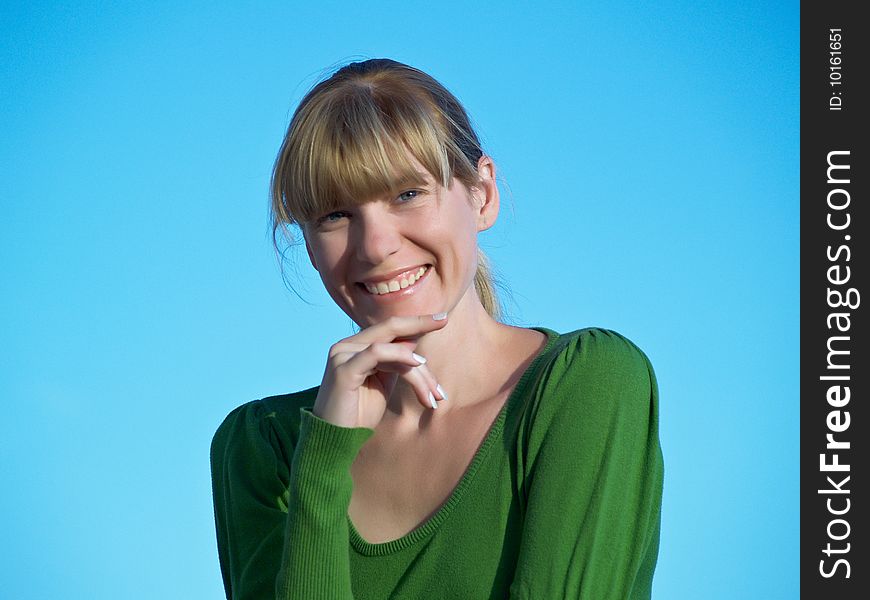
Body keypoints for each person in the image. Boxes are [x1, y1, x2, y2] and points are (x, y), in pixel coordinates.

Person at [210, 58, 664, 599]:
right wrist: (323, 463)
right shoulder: (264, 448)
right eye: (334, 214)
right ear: (307, 244)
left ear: (483, 194)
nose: (376, 245)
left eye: (407, 194)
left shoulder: (585, 386)